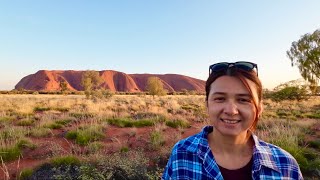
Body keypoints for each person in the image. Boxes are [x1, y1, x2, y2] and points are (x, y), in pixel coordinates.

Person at [162, 61, 303, 180]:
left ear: (259, 108)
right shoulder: (181, 154)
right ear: (207, 104)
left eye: (243, 100)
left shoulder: (285, 165)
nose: (231, 110)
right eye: (220, 98)